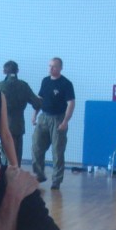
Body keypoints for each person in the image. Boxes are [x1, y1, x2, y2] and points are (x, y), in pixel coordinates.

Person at [31, 57, 75, 191]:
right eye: (49, 66)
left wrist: (65, 121)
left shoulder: (66, 83)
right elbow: (40, 99)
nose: (51, 68)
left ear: (60, 68)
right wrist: (35, 114)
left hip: (58, 119)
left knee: (57, 151)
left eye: (54, 66)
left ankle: (56, 180)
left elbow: (71, 104)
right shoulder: (45, 81)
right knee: (36, 147)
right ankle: (39, 175)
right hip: (44, 117)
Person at [0, 60, 42, 167]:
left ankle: (5, 176)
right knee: (16, 158)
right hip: (19, 126)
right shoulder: (23, 86)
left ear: (4, 71)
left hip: (4, 126)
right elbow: (37, 103)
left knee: (5, 157)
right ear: (17, 71)